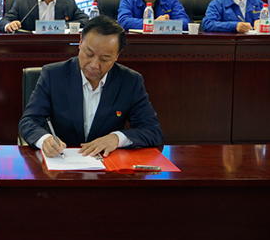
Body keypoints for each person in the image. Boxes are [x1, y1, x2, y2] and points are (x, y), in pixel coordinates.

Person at [18, 16, 163, 158]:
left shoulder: (130, 81)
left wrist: (116, 138)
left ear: (117, 55)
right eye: (89, 54)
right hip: (63, 161)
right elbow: (28, 121)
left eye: (104, 59)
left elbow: (153, 131)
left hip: (107, 165)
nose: (94, 65)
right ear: (80, 42)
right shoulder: (53, 75)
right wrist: (45, 140)